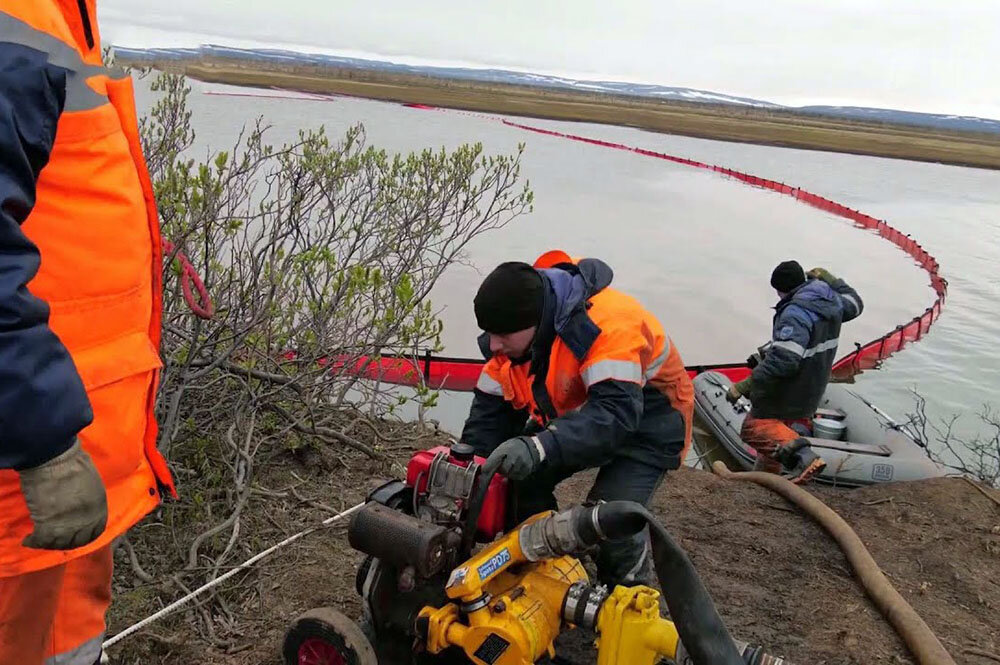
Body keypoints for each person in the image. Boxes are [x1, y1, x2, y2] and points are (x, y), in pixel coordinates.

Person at [0, 3, 175, 663]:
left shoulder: (61, 15)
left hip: (66, 481)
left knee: (69, 646)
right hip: (27, 480)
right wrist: (41, 437)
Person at [461, 250, 694, 590]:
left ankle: (627, 593)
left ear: (535, 323)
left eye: (503, 335)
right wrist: (470, 472)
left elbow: (614, 416)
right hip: (586, 415)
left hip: (650, 423)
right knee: (517, 482)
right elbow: (487, 425)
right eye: (490, 332)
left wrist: (539, 446)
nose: (493, 344)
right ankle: (548, 569)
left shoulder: (609, 327)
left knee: (610, 517)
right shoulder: (511, 343)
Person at [726, 260, 863, 483]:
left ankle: (805, 457)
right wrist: (832, 280)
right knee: (772, 446)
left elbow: (784, 361)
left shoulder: (795, 312)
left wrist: (745, 385)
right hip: (813, 386)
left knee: (753, 428)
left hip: (790, 389)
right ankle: (766, 483)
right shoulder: (831, 302)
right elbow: (855, 304)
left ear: (781, 289)